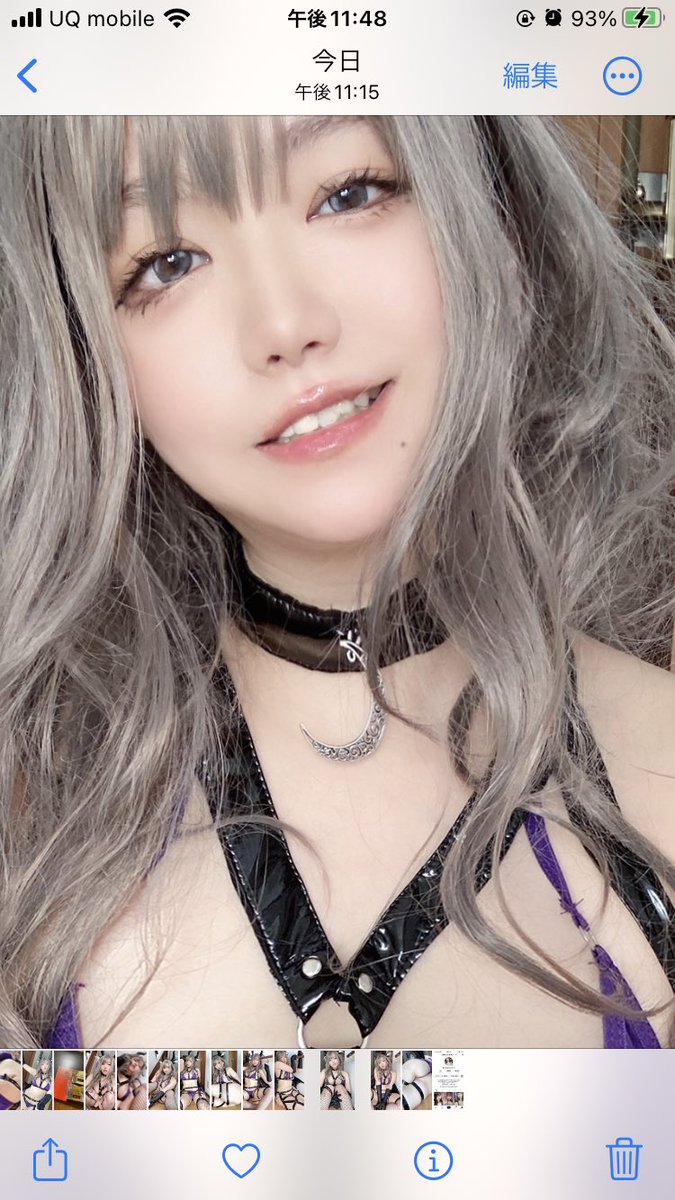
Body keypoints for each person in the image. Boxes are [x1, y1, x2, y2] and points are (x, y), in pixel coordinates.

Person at [0, 115, 674, 1052]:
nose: (284, 327)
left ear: (500, 220)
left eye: (349, 193)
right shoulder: (27, 819)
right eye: (165, 263)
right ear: (85, 361)